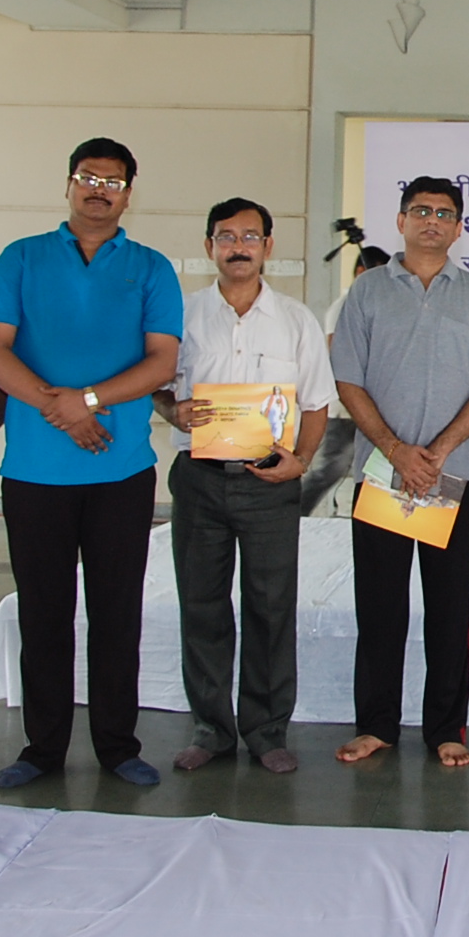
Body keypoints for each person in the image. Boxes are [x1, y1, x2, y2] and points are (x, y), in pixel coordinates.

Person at [0, 138, 181, 790]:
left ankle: (118, 746)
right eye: (89, 177)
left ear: (129, 194)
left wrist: (88, 400)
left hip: (121, 472)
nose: (100, 190)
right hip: (35, 473)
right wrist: (58, 407)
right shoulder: (22, 257)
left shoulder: (150, 267)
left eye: (113, 182)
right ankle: (42, 749)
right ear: (69, 184)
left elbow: (162, 362)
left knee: (117, 614)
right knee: (44, 614)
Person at [330, 176, 469, 769]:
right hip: (383, 473)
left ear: (459, 227)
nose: (433, 220)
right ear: (401, 220)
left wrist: (436, 451)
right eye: (421, 210)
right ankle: (376, 725)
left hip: (451, 479)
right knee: (380, 607)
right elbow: (348, 379)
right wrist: (395, 451)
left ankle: (446, 729)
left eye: (445, 213)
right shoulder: (367, 292)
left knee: (449, 609)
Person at [153, 196, 330, 775]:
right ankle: (211, 729)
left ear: (268, 247)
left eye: (250, 237)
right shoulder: (180, 315)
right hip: (199, 480)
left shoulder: (296, 321)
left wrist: (302, 461)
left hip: (269, 483)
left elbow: (317, 404)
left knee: (270, 608)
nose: (238, 247)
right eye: (226, 237)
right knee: (202, 605)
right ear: (209, 246)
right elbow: (158, 384)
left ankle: (266, 729)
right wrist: (173, 410)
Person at [305, 244, 390, 517]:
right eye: (377, 274)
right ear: (361, 272)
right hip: (346, 407)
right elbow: (337, 356)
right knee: (330, 469)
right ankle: (293, 513)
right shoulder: (343, 306)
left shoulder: (377, 307)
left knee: (378, 471)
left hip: (376, 405)